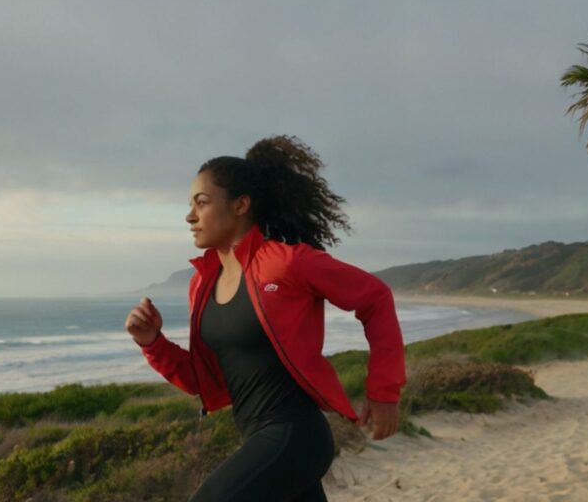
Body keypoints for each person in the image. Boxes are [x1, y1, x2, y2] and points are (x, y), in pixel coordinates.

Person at [124, 135, 406, 502]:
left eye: (202, 202)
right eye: (189, 204)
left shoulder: (285, 263)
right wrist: (152, 343)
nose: (190, 216)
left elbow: (375, 298)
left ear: (241, 205)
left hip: (296, 435)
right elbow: (203, 378)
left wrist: (384, 393)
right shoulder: (202, 284)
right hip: (258, 436)